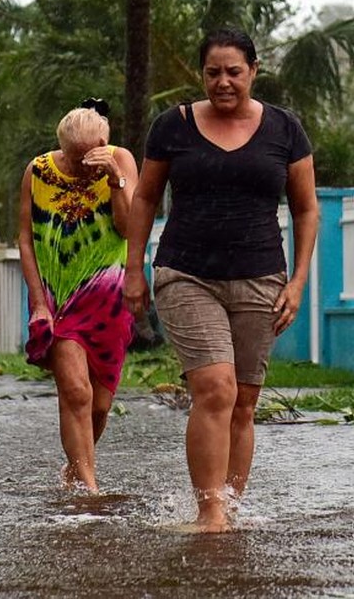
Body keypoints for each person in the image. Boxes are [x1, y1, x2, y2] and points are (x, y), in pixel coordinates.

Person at [124, 29, 319, 532]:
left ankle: (230, 506)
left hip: (261, 279)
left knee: (244, 402)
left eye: (234, 71)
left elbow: (305, 208)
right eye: (214, 72)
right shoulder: (173, 127)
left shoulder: (285, 130)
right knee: (215, 388)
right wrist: (133, 269)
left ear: (254, 70)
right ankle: (209, 510)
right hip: (187, 274)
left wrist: (297, 282)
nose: (224, 82)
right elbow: (145, 197)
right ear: (201, 74)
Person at [17, 100, 139, 492]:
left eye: (84, 157)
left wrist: (115, 177)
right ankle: (90, 490)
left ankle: (75, 470)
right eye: (70, 157)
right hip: (58, 296)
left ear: (102, 143)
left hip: (107, 296)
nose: (77, 166)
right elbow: (24, 237)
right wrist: (38, 299)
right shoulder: (38, 171)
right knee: (75, 392)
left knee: (99, 405)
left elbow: (127, 227)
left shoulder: (120, 161)